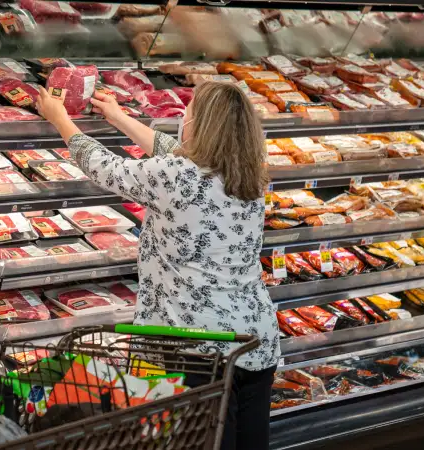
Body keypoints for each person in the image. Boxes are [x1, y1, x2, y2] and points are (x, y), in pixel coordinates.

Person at [36, 81, 280, 450]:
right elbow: (175, 152)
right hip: (254, 341)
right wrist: (120, 118)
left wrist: (61, 121)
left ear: (202, 125)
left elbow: (107, 168)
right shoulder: (249, 174)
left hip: (198, 350)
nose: (184, 117)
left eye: (190, 112)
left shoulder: (175, 176)